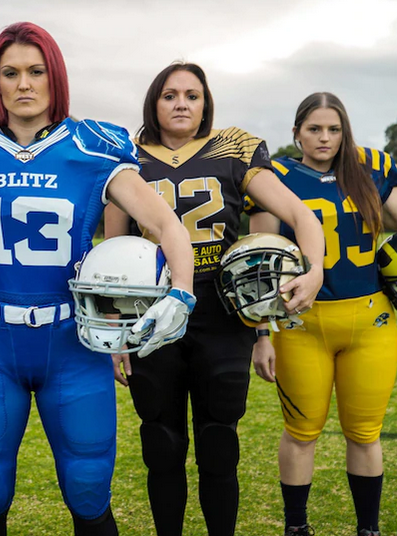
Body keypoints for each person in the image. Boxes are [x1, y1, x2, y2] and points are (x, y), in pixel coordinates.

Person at [0, 22, 197, 536]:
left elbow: (166, 224)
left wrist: (182, 292)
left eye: (36, 71)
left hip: (72, 339)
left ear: (55, 76)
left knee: (89, 487)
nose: (24, 84)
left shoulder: (93, 146)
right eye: (10, 73)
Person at [104, 62, 325, 536]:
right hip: (151, 311)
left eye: (192, 95)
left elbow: (301, 215)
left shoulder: (233, 149)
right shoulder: (125, 156)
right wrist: (116, 331)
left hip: (222, 315)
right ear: (154, 102)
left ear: (206, 103)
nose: (181, 103)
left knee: (219, 442)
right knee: (161, 442)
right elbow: (111, 249)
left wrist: (315, 267)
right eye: (169, 95)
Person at [249, 91, 397, 536]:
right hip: (301, 323)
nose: (325, 138)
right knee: (301, 433)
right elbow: (259, 258)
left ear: (345, 131)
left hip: (371, 321)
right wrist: (260, 334)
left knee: (365, 433)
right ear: (296, 133)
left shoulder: (369, 169)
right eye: (314, 129)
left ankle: (369, 529)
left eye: (334, 129)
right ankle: (296, 527)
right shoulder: (275, 176)